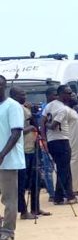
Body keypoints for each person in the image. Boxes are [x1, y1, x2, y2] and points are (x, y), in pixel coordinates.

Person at [10, 87, 50, 219]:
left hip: (31, 147)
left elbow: (34, 122)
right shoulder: (14, 108)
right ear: (14, 95)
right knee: (21, 183)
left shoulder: (23, 107)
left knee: (36, 180)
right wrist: (31, 127)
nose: (25, 96)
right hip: (22, 151)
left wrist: (32, 116)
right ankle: (23, 211)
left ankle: (35, 208)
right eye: (22, 94)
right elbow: (16, 131)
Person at [42, 85, 78, 205]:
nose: (69, 95)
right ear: (60, 94)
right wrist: (48, 125)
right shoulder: (63, 109)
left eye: (70, 93)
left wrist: (44, 138)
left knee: (62, 168)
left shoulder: (49, 105)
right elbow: (53, 125)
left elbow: (41, 121)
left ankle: (63, 196)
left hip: (52, 141)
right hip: (61, 140)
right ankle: (64, 197)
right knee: (64, 170)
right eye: (67, 93)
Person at [0, 75, 25, 240]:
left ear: (4, 86)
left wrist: (2, 154)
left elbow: (16, 133)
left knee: (9, 198)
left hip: (7, 160)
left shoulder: (13, 106)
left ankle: (8, 231)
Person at [67, 97, 78, 195]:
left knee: (76, 164)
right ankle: (70, 190)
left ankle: (74, 188)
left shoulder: (72, 110)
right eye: (70, 95)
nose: (73, 96)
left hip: (77, 141)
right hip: (69, 141)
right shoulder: (65, 110)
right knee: (71, 164)